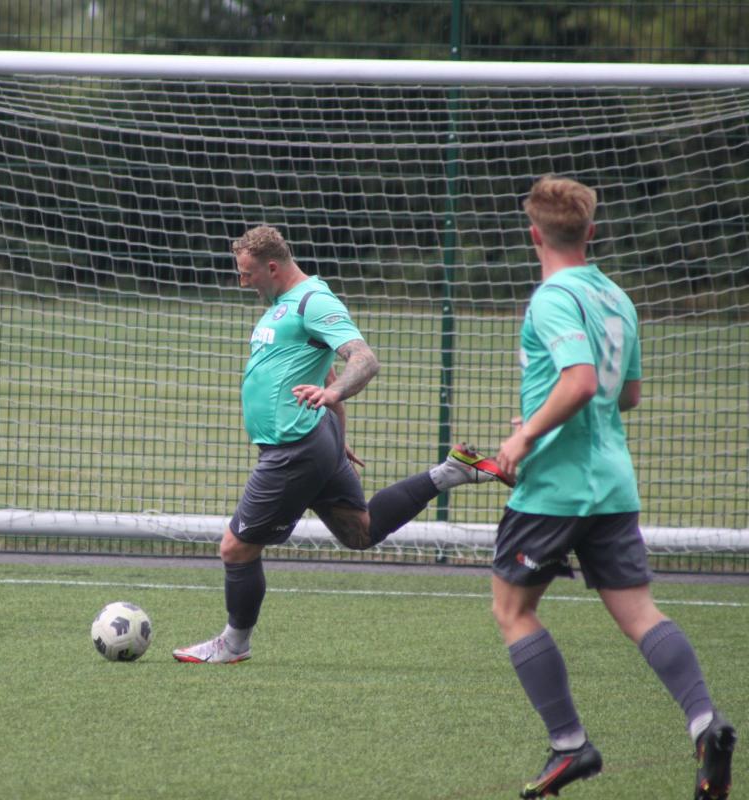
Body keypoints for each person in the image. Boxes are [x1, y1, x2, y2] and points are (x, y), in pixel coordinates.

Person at [487, 175, 736, 799]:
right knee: (640, 613)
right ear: (591, 232)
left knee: (513, 610)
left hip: (556, 486)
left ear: (534, 234)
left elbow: (578, 383)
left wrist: (525, 436)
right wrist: (542, 413)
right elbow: (626, 394)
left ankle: (570, 744)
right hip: (613, 483)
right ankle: (705, 723)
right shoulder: (616, 296)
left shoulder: (551, 296)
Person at [171, 224, 511, 666]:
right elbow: (325, 369)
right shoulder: (281, 304)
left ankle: (234, 644)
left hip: (294, 448)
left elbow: (363, 360)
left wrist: (332, 398)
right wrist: (339, 435)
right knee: (360, 532)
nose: (242, 281)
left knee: (236, 548)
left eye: (247, 273)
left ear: (272, 267)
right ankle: (451, 471)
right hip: (316, 440)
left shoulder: (313, 301)